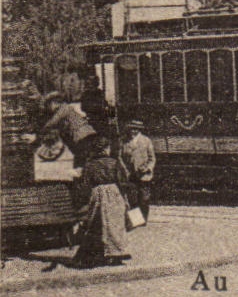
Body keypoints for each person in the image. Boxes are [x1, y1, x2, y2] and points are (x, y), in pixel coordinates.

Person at [73, 135, 131, 268]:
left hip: (97, 193)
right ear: (106, 149)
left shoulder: (90, 164)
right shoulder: (114, 162)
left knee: (96, 224)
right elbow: (122, 180)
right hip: (113, 192)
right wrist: (126, 197)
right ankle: (115, 254)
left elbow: (85, 183)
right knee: (115, 224)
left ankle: (93, 255)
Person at [41, 92, 97, 164]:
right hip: (85, 134)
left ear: (54, 102)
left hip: (84, 135)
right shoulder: (65, 108)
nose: (49, 107)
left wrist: (42, 129)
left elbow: (53, 121)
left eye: (49, 104)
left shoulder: (64, 108)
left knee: (82, 161)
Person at [120, 120, 156, 223]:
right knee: (133, 198)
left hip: (144, 175)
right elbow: (120, 157)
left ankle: (143, 219)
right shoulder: (125, 141)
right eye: (131, 129)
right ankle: (136, 221)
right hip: (130, 175)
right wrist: (125, 170)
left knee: (144, 198)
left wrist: (148, 168)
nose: (133, 131)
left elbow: (152, 158)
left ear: (139, 130)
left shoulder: (146, 141)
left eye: (135, 129)